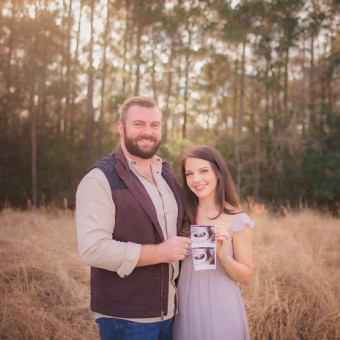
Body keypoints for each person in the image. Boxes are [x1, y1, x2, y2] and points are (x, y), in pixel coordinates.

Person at [76, 96, 191, 340]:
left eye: (155, 125)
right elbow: (92, 250)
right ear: (122, 127)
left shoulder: (166, 174)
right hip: (127, 318)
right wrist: (160, 252)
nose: (148, 132)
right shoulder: (100, 179)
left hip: (170, 311)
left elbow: (175, 229)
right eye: (139, 124)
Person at [173, 145, 255, 340]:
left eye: (203, 171)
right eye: (189, 174)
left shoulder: (237, 219)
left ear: (218, 173)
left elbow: (247, 277)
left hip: (222, 309)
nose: (196, 179)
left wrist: (225, 258)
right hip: (186, 309)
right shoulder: (181, 216)